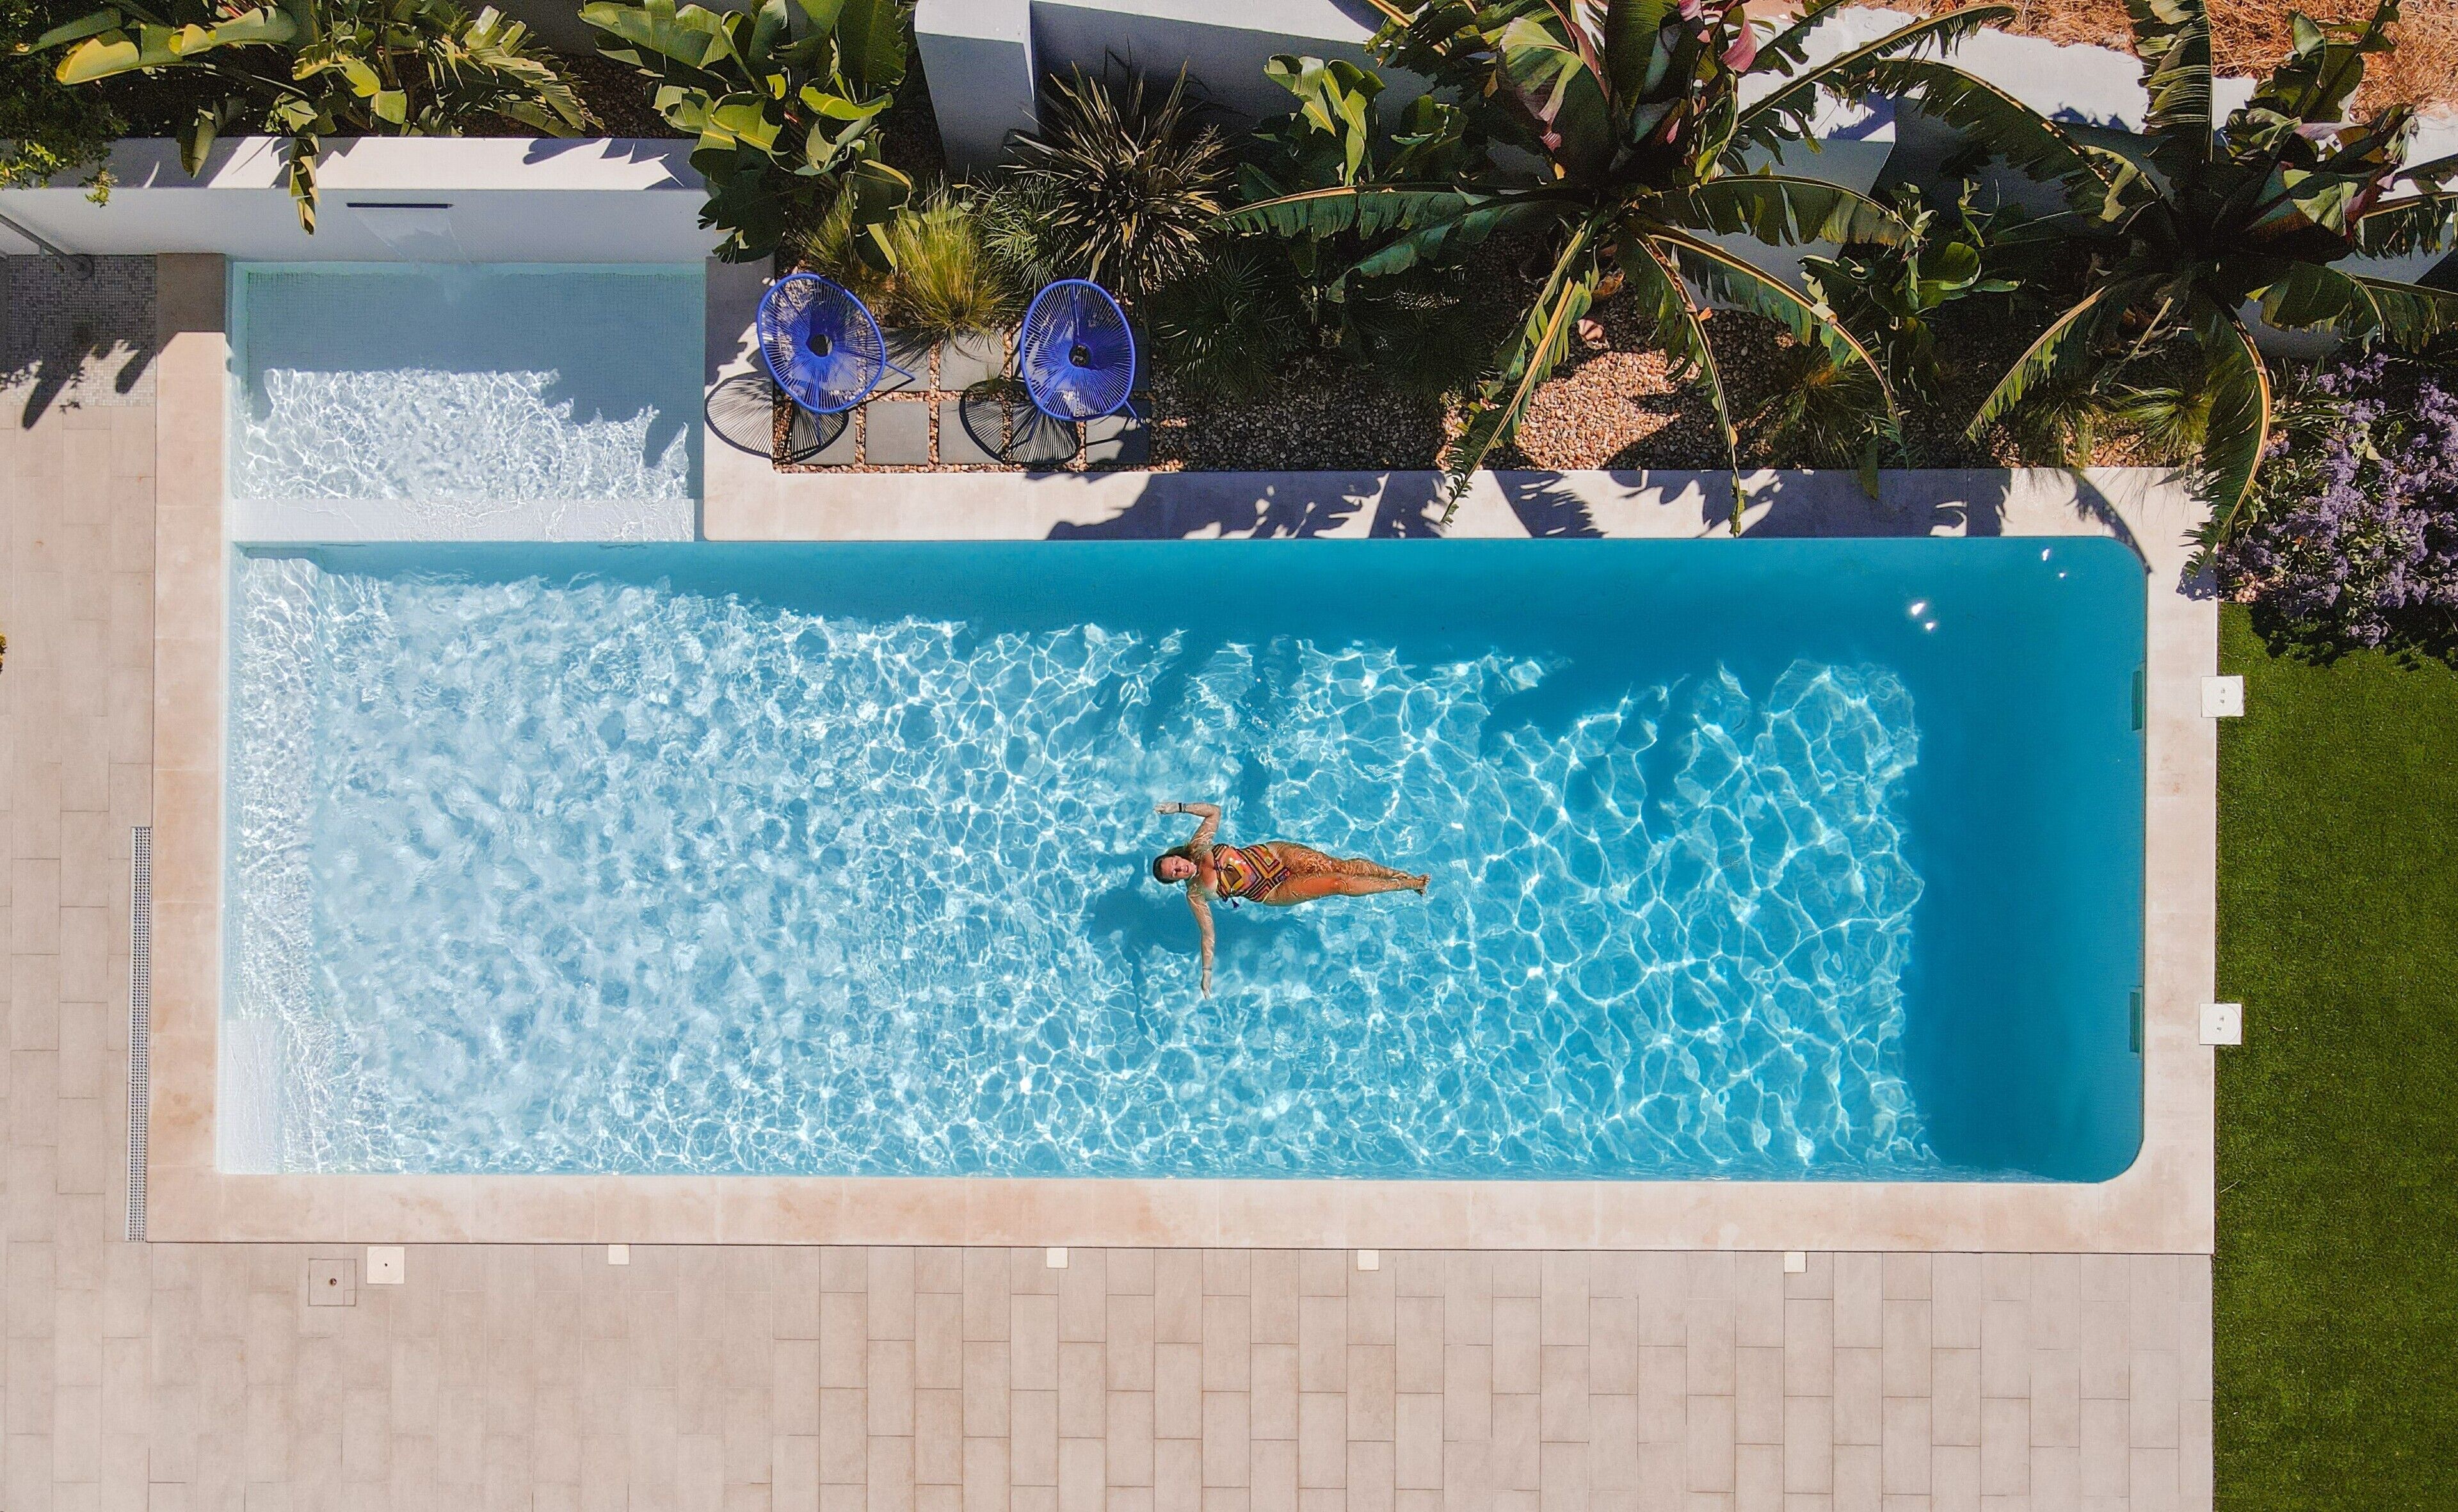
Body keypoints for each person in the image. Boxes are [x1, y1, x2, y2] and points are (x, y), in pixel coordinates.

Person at [1150, 800, 1427, 995]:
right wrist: (1207, 971)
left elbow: (1214, 812)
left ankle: (1401, 876)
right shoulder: (1196, 893)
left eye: (1174, 862)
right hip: (1272, 890)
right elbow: (1207, 934)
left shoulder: (1197, 847)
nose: (1178, 868)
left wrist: (1178, 808)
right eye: (1174, 873)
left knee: (1339, 866)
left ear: (1176, 855)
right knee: (1338, 883)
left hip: (1275, 854)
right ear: (1176, 879)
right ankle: (1408, 885)